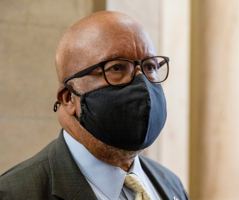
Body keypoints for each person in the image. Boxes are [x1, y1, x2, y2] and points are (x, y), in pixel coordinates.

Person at [0, 11, 188, 200]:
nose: (142, 83)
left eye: (149, 67)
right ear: (68, 98)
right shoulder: (15, 193)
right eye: (116, 67)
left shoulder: (171, 185)